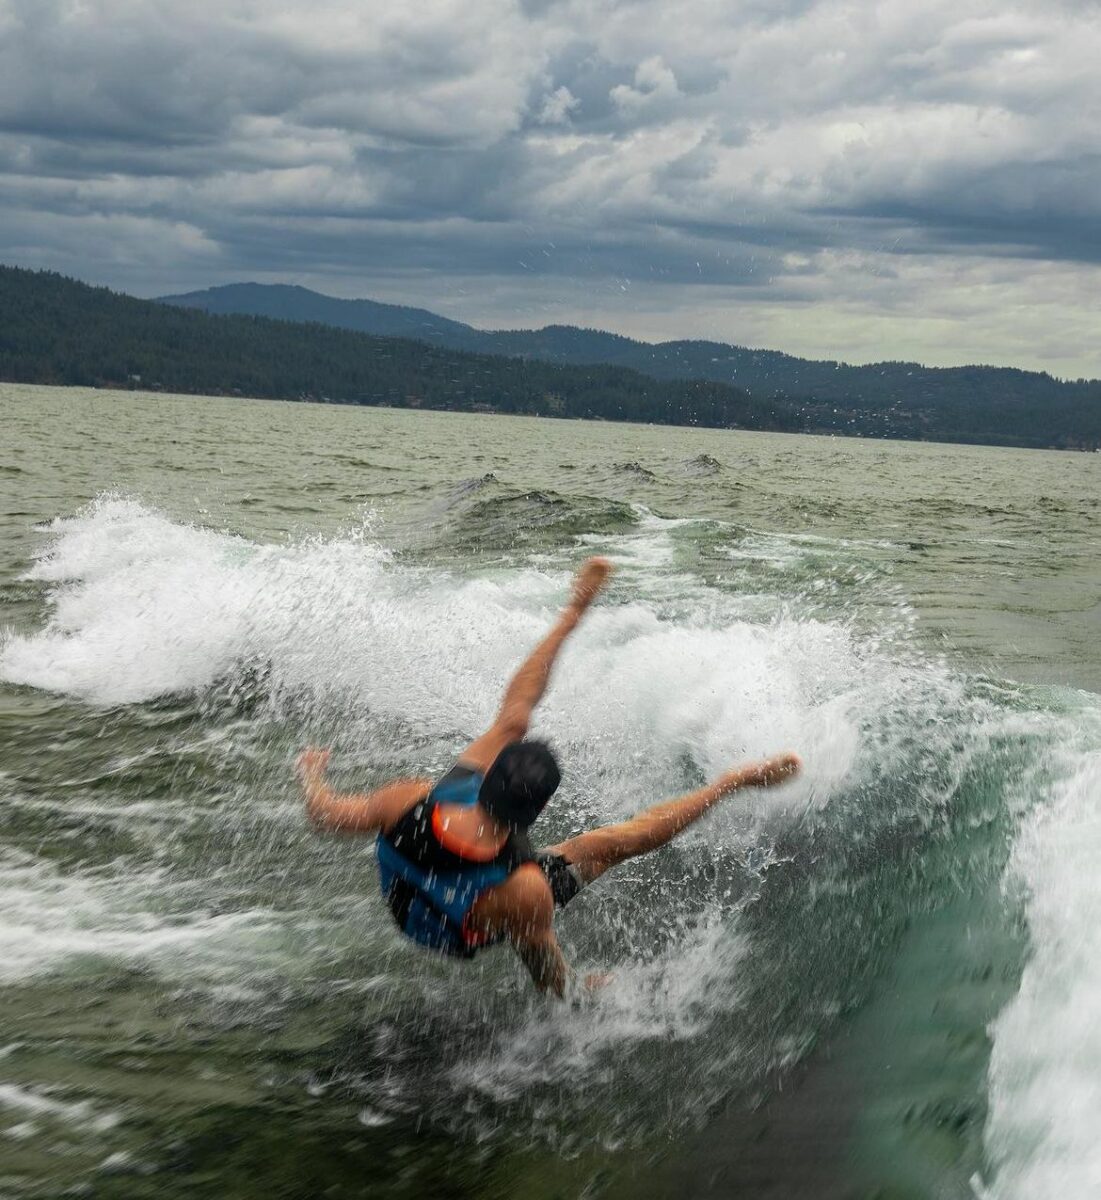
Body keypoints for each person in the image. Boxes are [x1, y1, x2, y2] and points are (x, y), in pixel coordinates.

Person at [296, 557, 800, 997]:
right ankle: (729, 784)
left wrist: (314, 774)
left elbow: (323, 814)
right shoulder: (525, 887)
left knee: (510, 722)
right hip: (443, 932)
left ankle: (572, 612)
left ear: (488, 774)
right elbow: (544, 972)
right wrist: (578, 990)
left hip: (404, 894)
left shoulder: (407, 799)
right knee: (605, 846)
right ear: (534, 814)